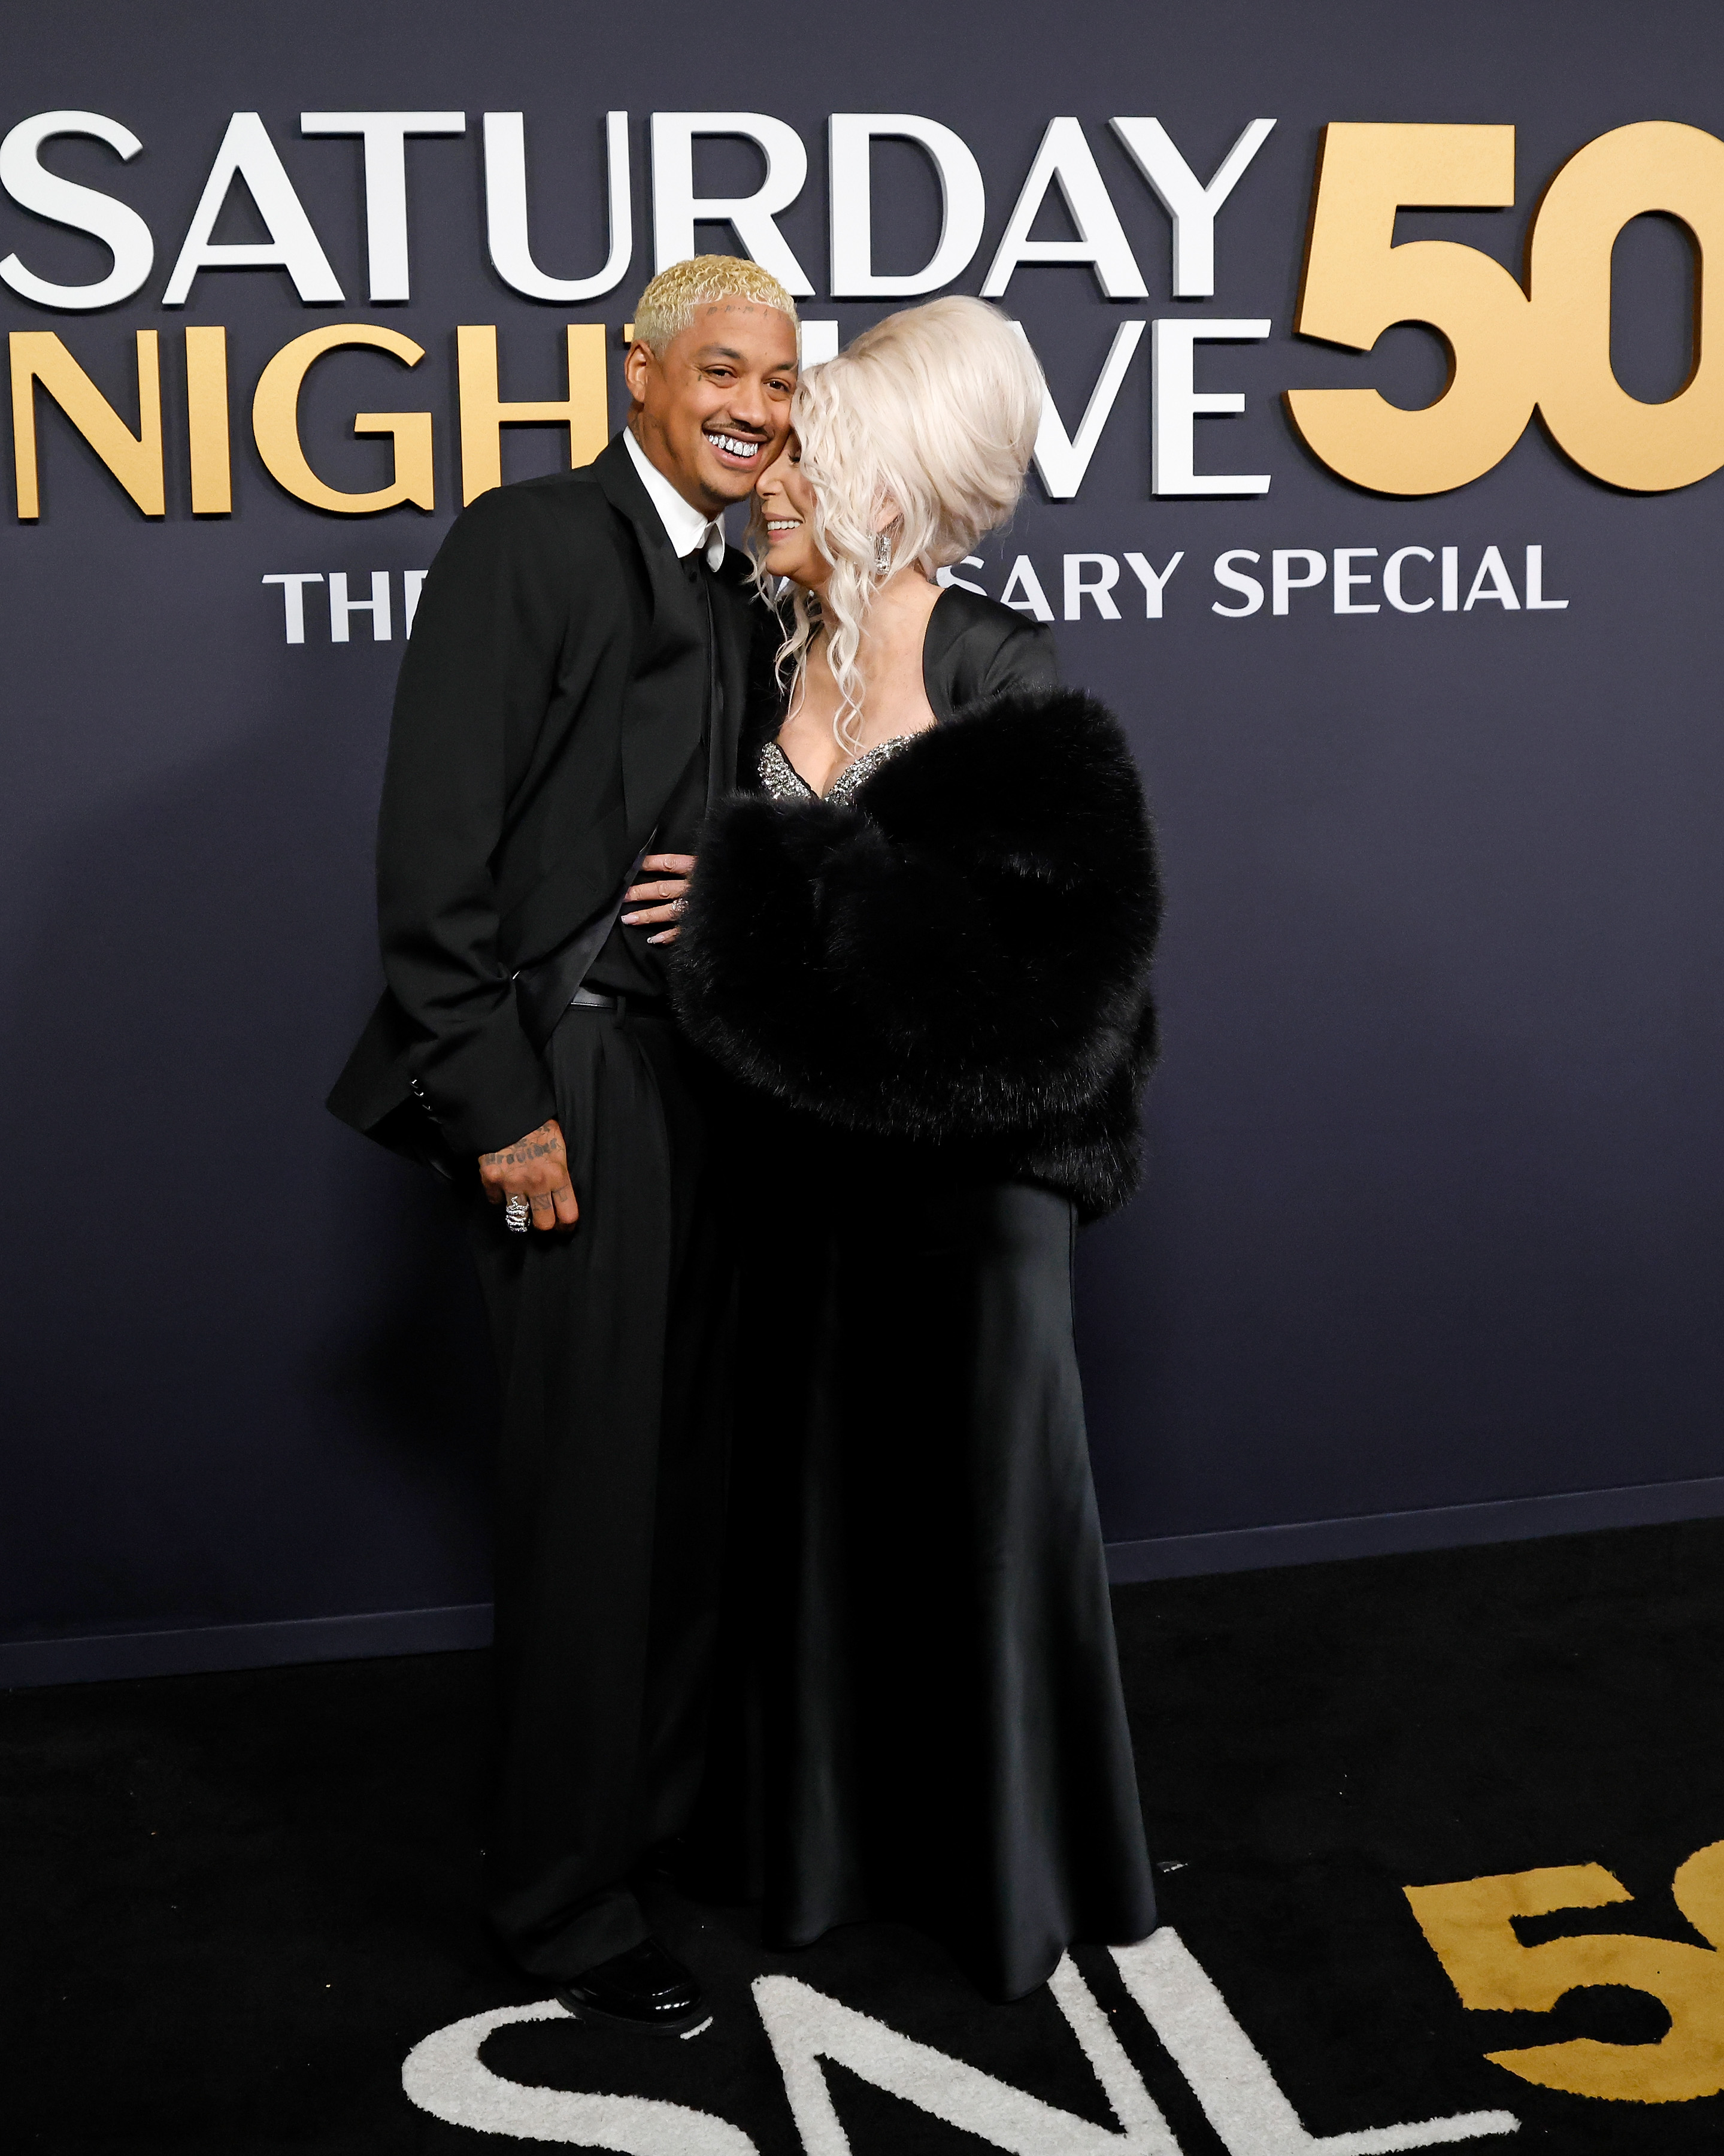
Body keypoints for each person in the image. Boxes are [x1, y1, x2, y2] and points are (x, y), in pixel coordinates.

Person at [669, 295, 1162, 2000]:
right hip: (806, 1181)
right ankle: (822, 1860)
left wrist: (753, 895)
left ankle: (1015, 1879)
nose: (767, 474)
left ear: (890, 469)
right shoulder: (760, 653)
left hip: (980, 1193)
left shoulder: (1000, 667)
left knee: (986, 1518)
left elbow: (1024, 996)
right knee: (817, 1522)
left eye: (806, 446)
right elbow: (802, 973)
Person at [327, 256, 799, 2035]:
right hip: (568, 1090)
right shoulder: (525, 542)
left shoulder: (751, 584)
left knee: (689, 1500)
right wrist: (499, 1100)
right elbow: (430, 857)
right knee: (592, 1515)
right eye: (727, 374)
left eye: (781, 382)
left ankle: (654, 1842)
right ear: (643, 378)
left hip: (706, 1091)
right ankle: (560, 1904)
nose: (757, 408)